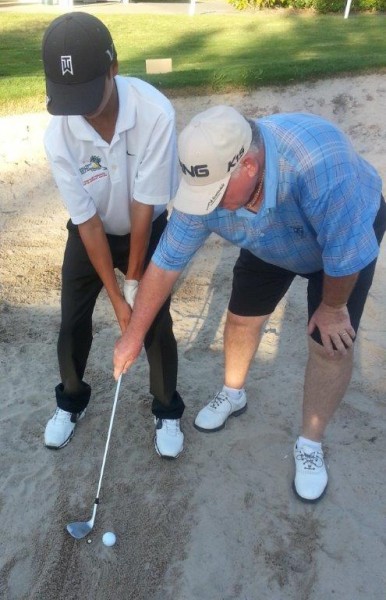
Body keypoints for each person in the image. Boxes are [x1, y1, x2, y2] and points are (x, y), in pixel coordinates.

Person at [113, 105, 386, 501]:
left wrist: (331, 308)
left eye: (216, 193)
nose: (206, 203)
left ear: (249, 166)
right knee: (241, 319)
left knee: (329, 344)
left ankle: (309, 444)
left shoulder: (322, 167)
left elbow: (344, 256)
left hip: (338, 239)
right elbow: (167, 262)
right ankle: (233, 392)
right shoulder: (209, 186)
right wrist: (133, 335)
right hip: (266, 236)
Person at [41, 12, 184, 459]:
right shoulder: (59, 134)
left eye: (88, 91)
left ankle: (167, 409)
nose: (80, 107)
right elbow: (86, 222)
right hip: (93, 231)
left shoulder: (155, 113)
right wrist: (117, 299)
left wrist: (134, 287)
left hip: (147, 224)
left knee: (155, 324)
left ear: (114, 68)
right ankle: (71, 400)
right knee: (71, 321)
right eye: (69, 96)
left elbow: (144, 208)